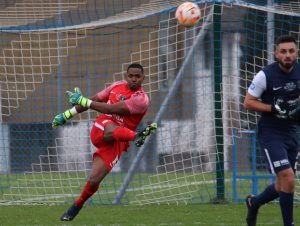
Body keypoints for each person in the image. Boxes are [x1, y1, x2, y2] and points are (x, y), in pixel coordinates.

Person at [52, 63, 157, 221]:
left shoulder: (141, 99)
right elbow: (95, 100)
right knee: (110, 127)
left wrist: (82, 100)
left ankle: (76, 206)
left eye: (137, 76)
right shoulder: (116, 86)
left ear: (143, 78)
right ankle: (136, 136)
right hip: (103, 127)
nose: (134, 79)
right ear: (126, 76)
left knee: (95, 178)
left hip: (118, 140)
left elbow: (111, 108)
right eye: (131, 76)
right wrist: (67, 114)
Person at [243, 35, 300, 226]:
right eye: (283, 51)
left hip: (291, 132)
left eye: (291, 51)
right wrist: (272, 108)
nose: (287, 55)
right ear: (276, 53)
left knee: (281, 185)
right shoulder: (265, 75)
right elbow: (248, 102)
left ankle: (254, 202)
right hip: (271, 133)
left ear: (296, 53)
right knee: (289, 179)